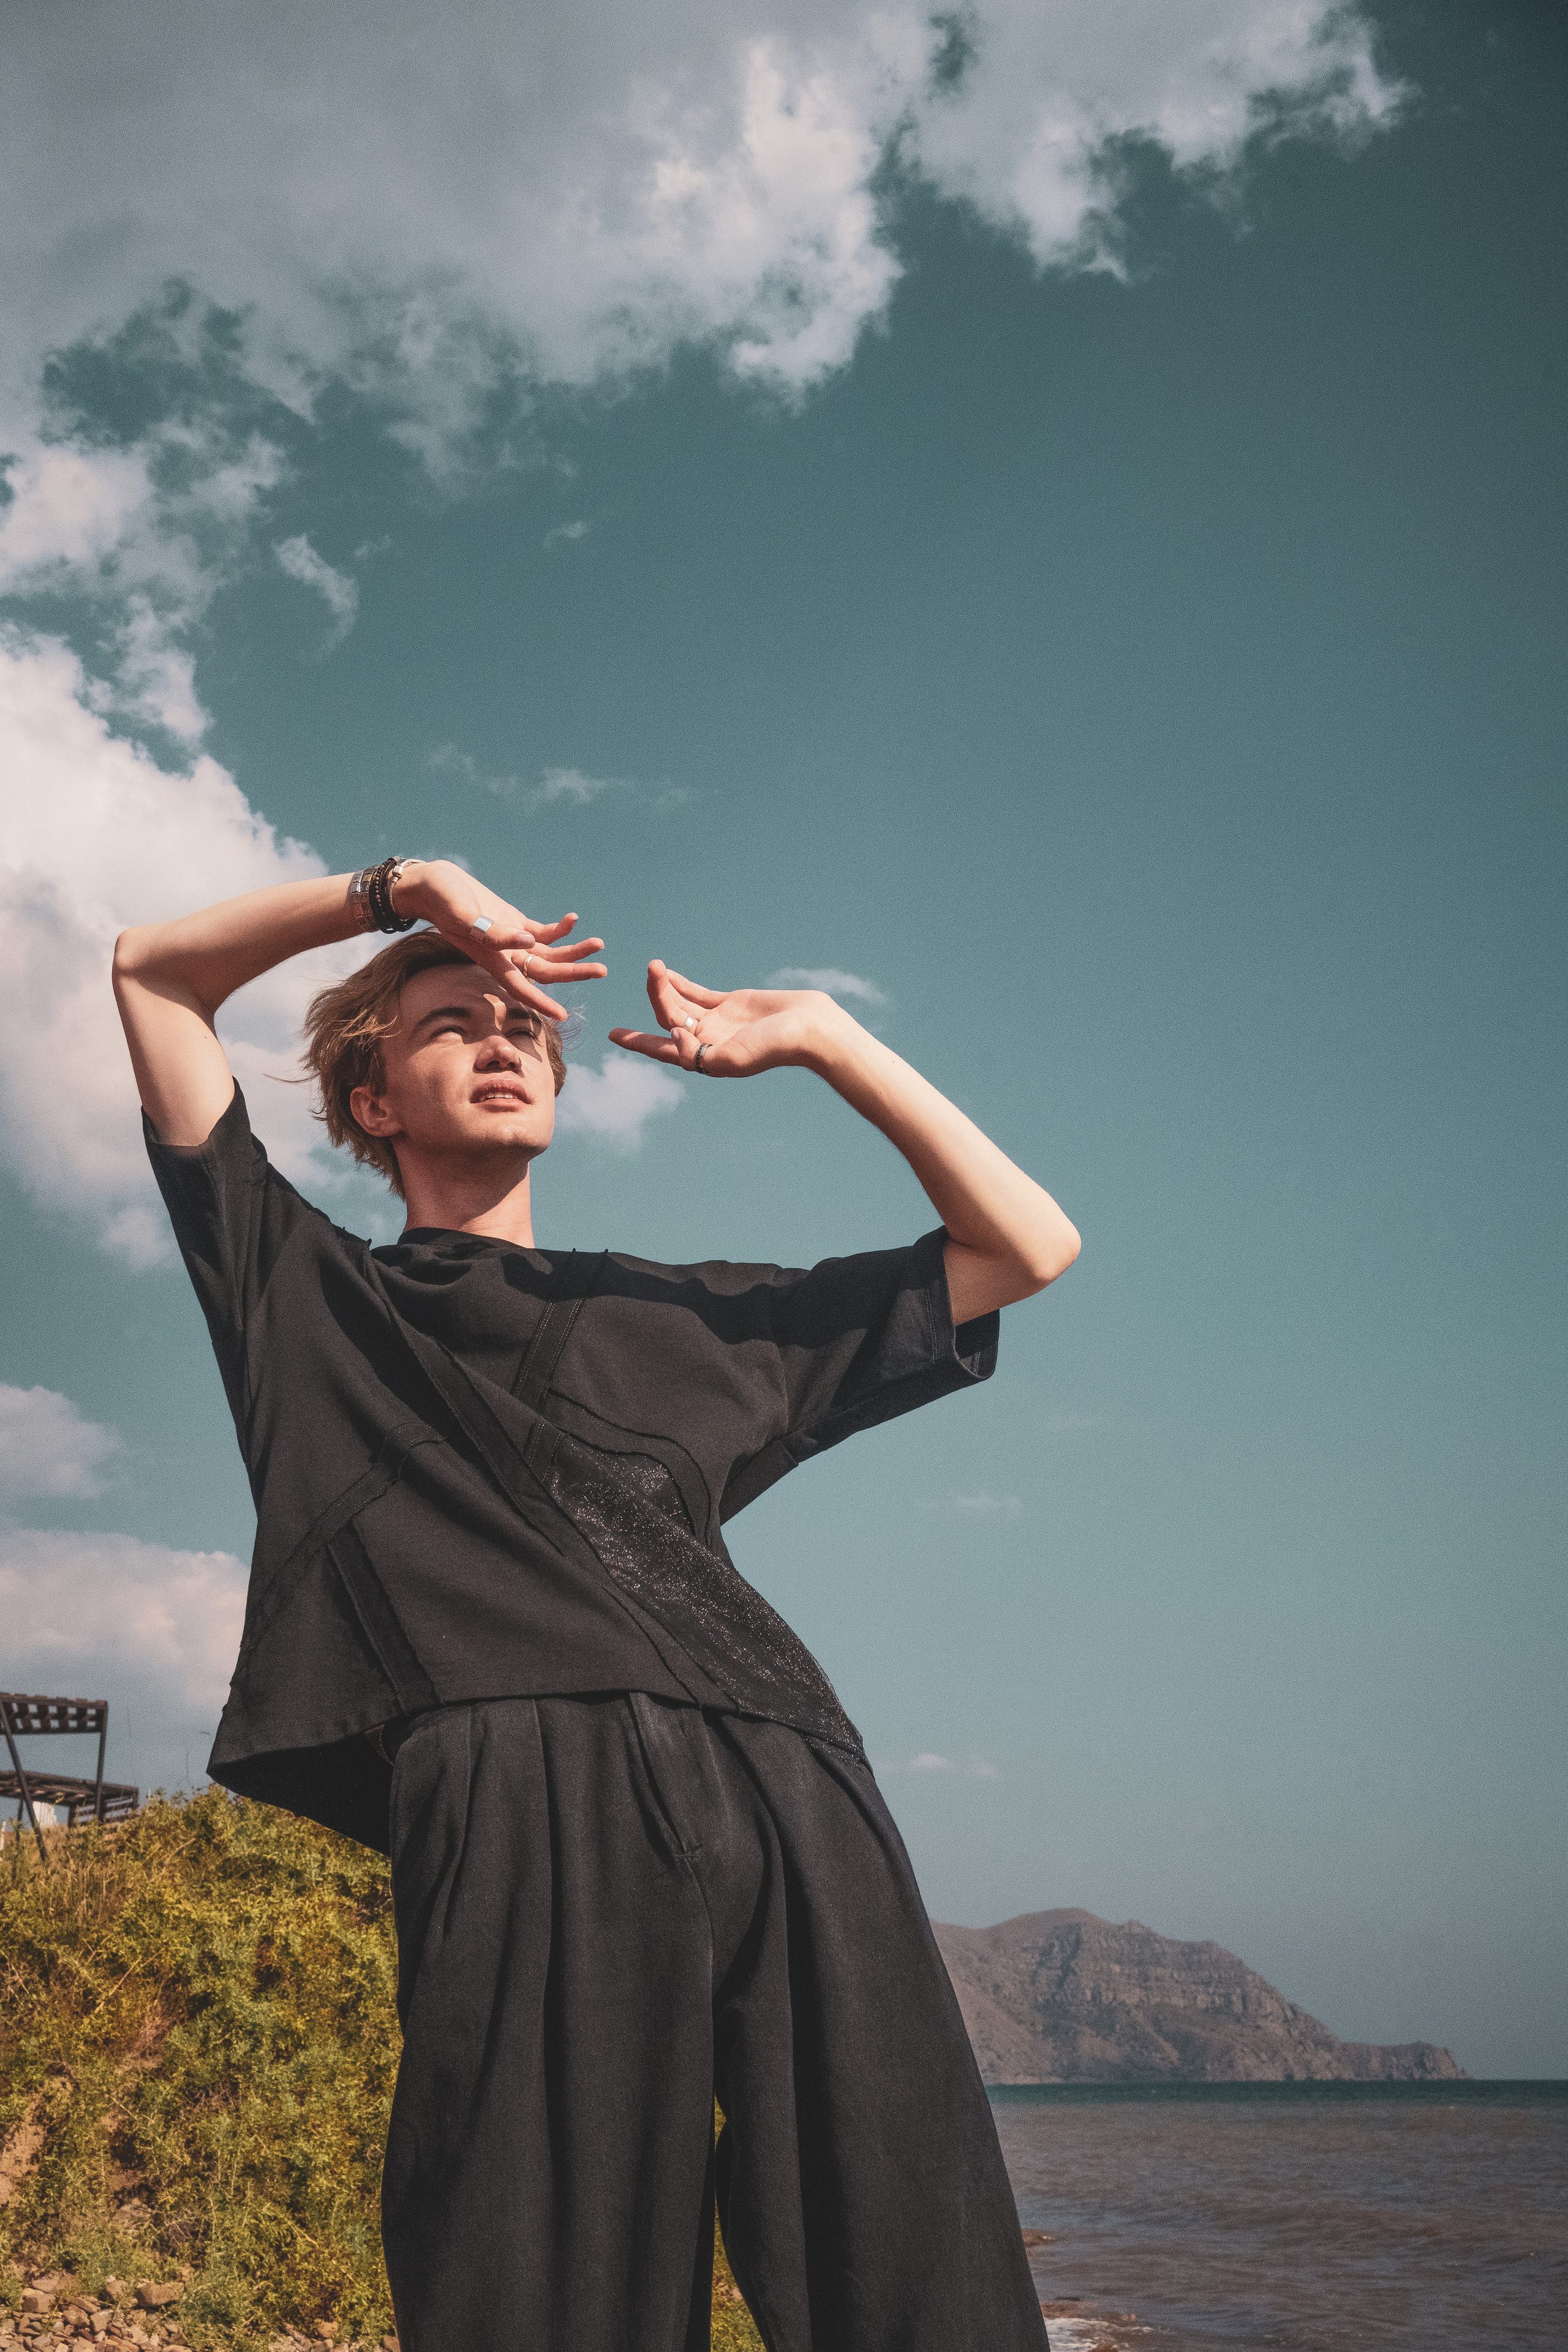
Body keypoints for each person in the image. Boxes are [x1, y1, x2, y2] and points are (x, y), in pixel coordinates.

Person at [113, 853, 1080, 2352]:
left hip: (789, 1781)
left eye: (524, 1027)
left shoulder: (686, 1314)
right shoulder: (302, 1296)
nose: (501, 1041)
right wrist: (398, 891)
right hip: (520, 1783)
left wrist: (825, 1038)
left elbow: (1026, 1247)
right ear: (372, 1101)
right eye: (451, 1025)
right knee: (535, 2279)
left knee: (913, 2265)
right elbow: (153, 974)